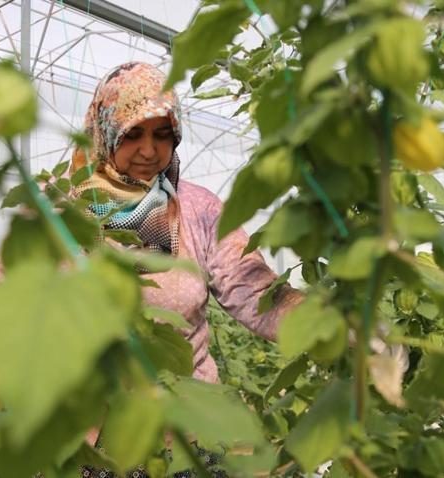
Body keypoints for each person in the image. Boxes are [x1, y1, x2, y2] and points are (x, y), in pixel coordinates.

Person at [68, 61, 303, 477]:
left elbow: (254, 291)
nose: (149, 151)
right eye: (133, 134)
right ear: (105, 131)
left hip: (183, 437)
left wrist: (327, 323)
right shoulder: (62, 212)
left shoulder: (198, 209)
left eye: (163, 135)